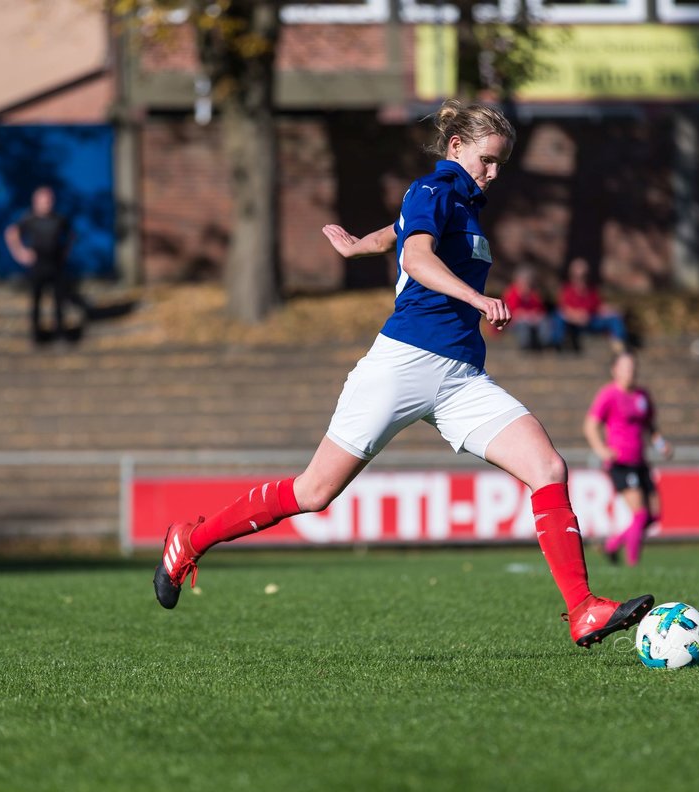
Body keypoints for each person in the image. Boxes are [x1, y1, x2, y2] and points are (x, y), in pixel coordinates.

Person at [152, 99, 655, 649]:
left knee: (547, 467)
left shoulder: (459, 203)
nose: (494, 173)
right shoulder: (432, 190)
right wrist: (477, 299)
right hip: (402, 364)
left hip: (461, 377)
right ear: (456, 148)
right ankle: (191, 540)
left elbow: (397, 234)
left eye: (501, 163)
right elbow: (415, 256)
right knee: (314, 492)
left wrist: (360, 246)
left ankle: (582, 609)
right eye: (487, 160)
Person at [584, 352, 672, 567]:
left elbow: (650, 427)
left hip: (640, 461)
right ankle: (634, 565)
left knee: (653, 516)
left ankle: (612, 545)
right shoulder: (609, 395)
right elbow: (590, 425)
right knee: (640, 515)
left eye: (633, 367)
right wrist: (602, 450)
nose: (630, 372)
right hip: (621, 463)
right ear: (615, 370)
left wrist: (661, 445)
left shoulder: (642, 395)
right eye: (625, 367)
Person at [5, 185, 78, 344]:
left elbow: (71, 235)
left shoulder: (59, 219)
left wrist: (65, 252)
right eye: (44, 200)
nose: (47, 203)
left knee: (59, 301)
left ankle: (60, 334)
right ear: (36, 201)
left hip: (55, 264)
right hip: (38, 265)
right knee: (36, 300)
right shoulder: (28, 219)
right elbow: (11, 233)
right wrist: (20, 253)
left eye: (50, 200)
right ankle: (37, 336)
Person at [550, 258, 628, 354]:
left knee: (614, 318)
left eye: (584, 276)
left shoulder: (591, 290)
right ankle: (557, 344)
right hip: (573, 323)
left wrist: (614, 310)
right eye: (577, 276)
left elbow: (599, 307)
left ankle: (618, 345)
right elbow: (563, 310)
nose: (581, 279)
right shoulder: (567, 290)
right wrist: (577, 317)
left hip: (590, 320)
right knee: (558, 316)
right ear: (572, 276)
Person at [500, 265, 551, 352]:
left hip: (531, 321)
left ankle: (545, 345)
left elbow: (540, 310)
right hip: (514, 323)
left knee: (545, 322)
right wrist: (527, 315)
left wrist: (534, 316)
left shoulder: (533, 294)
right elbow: (512, 313)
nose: (527, 285)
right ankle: (526, 347)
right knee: (523, 325)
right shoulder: (512, 293)